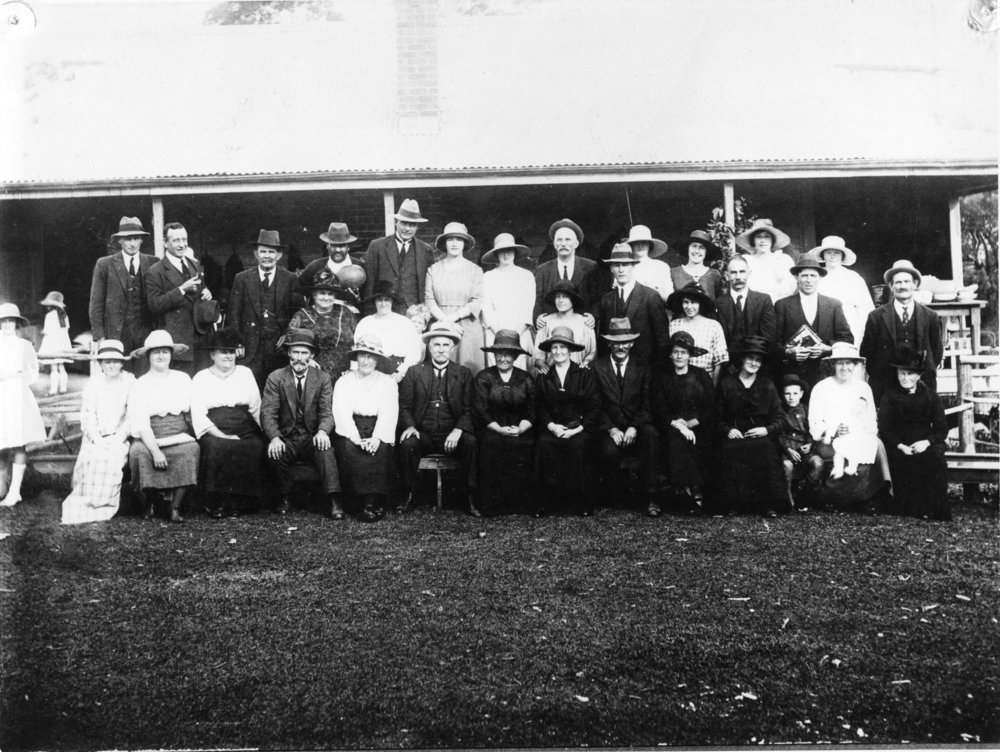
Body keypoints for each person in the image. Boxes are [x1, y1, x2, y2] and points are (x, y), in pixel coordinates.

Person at [261, 328, 343, 518]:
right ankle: (283, 496)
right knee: (274, 452)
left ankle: (334, 500)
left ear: (312, 355)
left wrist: (322, 432)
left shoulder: (322, 378)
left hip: (311, 436)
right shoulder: (276, 377)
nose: (299, 358)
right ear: (289, 353)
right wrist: (274, 437)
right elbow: (267, 413)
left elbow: (327, 412)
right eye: (295, 352)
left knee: (326, 450)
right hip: (286, 437)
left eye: (304, 353)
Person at [398, 322, 477, 514]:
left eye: (445, 345)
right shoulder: (414, 372)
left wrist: (458, 430)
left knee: (471, 442)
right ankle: (409, 494)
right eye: (437, 345)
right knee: (408, 443)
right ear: (429, 347)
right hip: (424, 433)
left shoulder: (464, 373)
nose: (441, 350)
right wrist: (410, 426)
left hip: (452, 433)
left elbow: (469, 408)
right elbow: (405, 406)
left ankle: (469, 497)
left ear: (452, 348)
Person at [191, 329, 266, 518]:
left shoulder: (245, 373)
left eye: (231, 351)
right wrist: (223, 435)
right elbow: (198, 414)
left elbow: (256, 407)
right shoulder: (201, 377)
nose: (228, 356)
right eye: (223, 351)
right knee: (217, 447)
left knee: (254, 446)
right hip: (215, 428)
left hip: (244, 426)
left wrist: (267, 431)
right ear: (212, 355)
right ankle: (216, 502)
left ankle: (240, 502)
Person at [126, 330, 200, 523]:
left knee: (191, 450)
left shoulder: (183, 379)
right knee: (139, 454)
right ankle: (149, 503)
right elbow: (141, 423)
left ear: (171, 354)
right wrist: (156, 451)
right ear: (149, 356)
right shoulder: (141, 384)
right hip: (149, 435)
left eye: (165, 352)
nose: (161, 356)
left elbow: (194, 411)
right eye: (156, 352)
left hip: (178, 433)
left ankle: (175, 507)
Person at [61, 340, 136, 524]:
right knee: (93, 457)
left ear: (122, 363)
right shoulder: (94, 384)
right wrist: (98, 439)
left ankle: (104, 505)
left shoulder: (129, 381)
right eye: (107, 361)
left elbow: (132, 416)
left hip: (120, 437)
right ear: (101, 363)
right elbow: (88, 417)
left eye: (115, 361)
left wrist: (118, 438)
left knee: (112, 458)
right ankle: (87, 505)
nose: (111, 365)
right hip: (94, 438)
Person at [591, 318, 660, 515]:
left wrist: (634, 427)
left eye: (625, 342)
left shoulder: (643, 367)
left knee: (652, 438)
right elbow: (595, 404)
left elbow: (648, 403)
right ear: (609, 344)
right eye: (616, 342)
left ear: (631, 343)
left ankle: (651, 498)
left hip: (636, 424)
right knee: (608, 452)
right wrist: (611, 429)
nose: (621, 346)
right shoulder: (597, 367)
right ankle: (616, 496)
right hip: (609, 426)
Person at [808, 343, 890, 508]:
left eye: (849, 363)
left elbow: (871, 420)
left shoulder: (863, 387)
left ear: (855, 365)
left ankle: (878, 493)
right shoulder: (822, 388)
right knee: (847, 451)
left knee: (876, 445)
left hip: (858, 436)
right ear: (833, 365)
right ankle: (837, 496)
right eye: (840, 363)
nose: (844, 367)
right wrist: (834, 431)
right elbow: (814, 424)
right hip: (829, 440)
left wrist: (861, 432)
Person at [534, 326, 602, 516]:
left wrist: (576, 429)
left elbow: (594, 406)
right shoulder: (543, 377)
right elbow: (539, 407)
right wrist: (552, 426)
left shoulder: (584, 374)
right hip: (552, 428)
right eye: (554, 348)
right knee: (544, 445)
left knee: (579, 446)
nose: (558, 352)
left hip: (578, 428)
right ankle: (546, 503)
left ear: (570, 350)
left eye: (563, 348)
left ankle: (579, 503)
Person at [716, 335, 787, 518]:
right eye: (750, 358)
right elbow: (715, 416)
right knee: (731, 450)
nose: (753, 363)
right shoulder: (727, 383)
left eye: (758, 360)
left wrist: (766, 429)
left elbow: (779, 417)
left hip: (761, 434)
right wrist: (728, 430)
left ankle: (767, 504)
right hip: (734, 433)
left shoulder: (767, 384)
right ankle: (734, 503)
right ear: (742, 359)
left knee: (765, 448)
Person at [878, 345, 950, 521]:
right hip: (899, 443)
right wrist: (901, 446)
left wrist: (927, 442)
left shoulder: (931, 396)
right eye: (902, 373)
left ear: (918, 375)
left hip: (924, 441)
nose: (905, 378)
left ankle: (932, 508)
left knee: (935, 459)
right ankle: (910, 508)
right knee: (902, 461)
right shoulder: (890, 395)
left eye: (910, 374)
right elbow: (885, 429)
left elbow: (942, 429)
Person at [331, 335, 399, 522]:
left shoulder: (387, 382)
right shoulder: (344, 382)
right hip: (351, 428)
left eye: (371, 356)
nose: (366, 361)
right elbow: (341, 412)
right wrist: (355, 437)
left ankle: (374, 502)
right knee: (350, 449)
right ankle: (358, 504)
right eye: (362, 356)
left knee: (382, 448)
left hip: (378, 426)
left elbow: (389, 411)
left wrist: (377, 437)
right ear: (356, 358)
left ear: (377, 359)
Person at [650, 331, 715, 515]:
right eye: (676, 352)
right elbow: (659, 408)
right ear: (670, 354)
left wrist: (691, 424)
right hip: (670, 426)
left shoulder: (701, 375)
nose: (679, 356)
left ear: (690, 355)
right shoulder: (661, 376)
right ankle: (686, 490)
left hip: (698, 426)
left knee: (704, 440)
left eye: (684, 352)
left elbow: (709, 406)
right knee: (675, 437)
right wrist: (678, 425)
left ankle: (697, 487)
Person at [860, 259, 942, 405]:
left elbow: (936, 352)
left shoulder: (930, 316)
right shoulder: (876, 317)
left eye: (906, 281)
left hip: (922, 384)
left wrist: (919, 374)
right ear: (891, 286)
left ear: (914, 284)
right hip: (885, 385)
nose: (902, 286)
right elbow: (867, 352)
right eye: (897, 282)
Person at [473, 330, 536, 516]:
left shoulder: (525, 378)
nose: (503, 358)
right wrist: (499, 429)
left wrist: (521, 427)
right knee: (491, 446)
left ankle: (520, 504)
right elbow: (481, 409)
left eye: (508, 354)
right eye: (499, 353)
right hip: (492, 428)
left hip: (521, 428)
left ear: (515, 356)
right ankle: (492, 505)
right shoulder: (484, 377)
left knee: (526, 446)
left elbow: (532, 409)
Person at [228, 229, 299, 390]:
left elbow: (298, 313)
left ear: (279, 255)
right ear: (256, 254)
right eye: (263, 252)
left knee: (279, 391)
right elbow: (233, 314)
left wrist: (288, 335)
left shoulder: (290, 279)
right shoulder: (242, 278)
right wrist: (237, 342)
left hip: (279, 349)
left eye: (271, 252)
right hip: (250, 348)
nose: (267, 256)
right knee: (250, 390)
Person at [146, 222, 216, 375]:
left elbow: (201, 291)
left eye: (184, 240)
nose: (182, 245)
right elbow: (154, 304)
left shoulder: (195, 265)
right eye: (176, 240)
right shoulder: (155, 271)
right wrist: (181, 289)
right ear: (165, 243)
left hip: (201, 340)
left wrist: (207, 293)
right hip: (178, 343)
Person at [88, 216, 156, 373]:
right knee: (119, 375)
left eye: (136, 238)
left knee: (145, 376)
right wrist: (100, 337)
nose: (132, 243)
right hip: (117, 333)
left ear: (142, 240)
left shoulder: (153, 262)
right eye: (127, 239)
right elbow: (96, 302)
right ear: (119, 241)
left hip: (146, 332)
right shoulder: (105, 264)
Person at [774, 255, 853, 388]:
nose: (808, 280)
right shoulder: (782, 305)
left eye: (813, 276)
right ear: (796, 278)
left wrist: (827, 349)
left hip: (826, 375)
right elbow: (774, 343)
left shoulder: (833, 305)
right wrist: (790, 352)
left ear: (820, 278)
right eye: (804, 276)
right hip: (793, 378)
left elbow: (847, 339)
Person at [595, 243, 671, 370]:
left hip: (646, 371)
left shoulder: (650, 297)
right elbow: (603, 341)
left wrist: (656, 373)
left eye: (625, 264)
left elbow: (662, 340)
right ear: (611, 269)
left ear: (633, 266)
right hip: (615, 372)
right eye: (616, 265)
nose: (621, 270)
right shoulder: (606, 300)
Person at [0, 304, 46, 508]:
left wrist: (17, 382)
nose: (7, 325)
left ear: (17, 323)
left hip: (17, 394)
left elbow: (33, 371)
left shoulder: (24, 346)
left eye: (11, 321)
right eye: (3, 321)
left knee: (18, 441)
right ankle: (2, 483)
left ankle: (15, 490)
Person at [425, 222, 485, 374]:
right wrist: (445, 323)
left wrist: (451, 319)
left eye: (459, 239)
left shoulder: (475, 270)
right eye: (450, 239)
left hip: (467, 327)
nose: (454, 243)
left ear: (464, 243)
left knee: (468, 370)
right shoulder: (433, 270)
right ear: (444, 243)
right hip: (440, 326)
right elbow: (429, 300)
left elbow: (477, 301)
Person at [361, 199, 437, 308]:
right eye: (404, 223)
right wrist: (369, 309)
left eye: (412, 225)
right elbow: (369, 283)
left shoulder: (425, 249)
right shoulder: (377, 246)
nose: (407, 229)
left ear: (417, 227)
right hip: (385, 308)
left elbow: (429, 284)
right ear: (396, 222)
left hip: (414, 310)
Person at [287, 268, 359, 380]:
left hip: (346, 373)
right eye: (322, 293)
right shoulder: (302, 315)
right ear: (314, 295)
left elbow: (358, 340)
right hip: (313, 372)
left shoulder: (345, 312)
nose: (326, 297)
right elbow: (289, 343)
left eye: (330, 294)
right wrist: (306, 359)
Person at [805, 235, 874, 346]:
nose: (832, 256)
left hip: (849, 323)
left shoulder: (853, 277)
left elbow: (865, 308)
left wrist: (864, 331)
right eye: (828, 253)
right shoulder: (816, 276)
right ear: (823, 255)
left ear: (842, 256)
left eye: (836, 253)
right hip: (822, 323)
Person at [481, 233, 535, 370]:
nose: (506, 254)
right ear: (496, 254)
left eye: (509, 250)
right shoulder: (488, 277)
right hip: (495, 332)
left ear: (515, 252)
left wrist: (515, 335)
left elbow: (528, 307)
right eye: (501, 251)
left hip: (519, 332)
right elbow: (486, 307)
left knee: (519, 370)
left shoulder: (526, 276)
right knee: (496, 371)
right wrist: (500, 335)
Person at [355, 281, 423, 382]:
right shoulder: (365, 323)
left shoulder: (404, 322)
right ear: (374, 302)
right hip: (372, 369)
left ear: (392, 302)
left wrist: (401, 372)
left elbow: (415, 352)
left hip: (399, 369)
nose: (383, 303)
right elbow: (357, 350)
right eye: (379, 300)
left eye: (386, 300)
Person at [533, 218, 598, 322]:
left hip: (582, 326)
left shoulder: (591, 267)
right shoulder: (542, 270)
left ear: (576, 244)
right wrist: (538, 317)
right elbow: (538, 299)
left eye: (567, 239)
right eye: (559, 240)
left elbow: (597, 298)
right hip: (551, 327)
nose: (563, 244)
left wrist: (593, 315)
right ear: (554, 244)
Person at [777, 373, 824, 509]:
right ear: (782, 394)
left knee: (818, 463)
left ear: (801, 393)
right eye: (787, 394)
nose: (791, 397)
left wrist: (810, 443)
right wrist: (788, 449)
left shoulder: (807, 409)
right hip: (788, 448)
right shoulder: (780, 410)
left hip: (805, 447)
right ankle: (788, 497)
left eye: (795, 393)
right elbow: (778, 434)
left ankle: (804, 497)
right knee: (787, 465)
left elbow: (814, 428)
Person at [666, 282, 729, 383]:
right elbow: (669, 354)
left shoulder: (713, 326)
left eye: (694, 302)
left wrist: (713, 385)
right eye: (686, 302)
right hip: (678, 380)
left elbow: (719, 360)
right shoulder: (674, 324)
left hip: (704, 381)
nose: (689, 306)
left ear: (700, 304)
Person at [533, 281, 596, 374]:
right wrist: (541, 364)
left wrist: (586, 362)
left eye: (565, 297)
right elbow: (538, 354)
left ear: (573, 299)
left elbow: (592, 351)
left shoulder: (585, 322)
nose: (560, 300)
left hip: (578, 373)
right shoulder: (545, 321)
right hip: (552, 373)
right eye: (557, 297)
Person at [714, 254, 776, 348]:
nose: (738, 277)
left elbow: (768, 338)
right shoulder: (717, 304)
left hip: (756, 359)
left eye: (742, 272)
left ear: (749, 273)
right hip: (728, 360)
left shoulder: (764, 301)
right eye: (733, 272)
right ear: (727, 276)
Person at [299, 222, 365, 302]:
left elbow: (368, 298)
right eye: (334, 245)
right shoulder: (315, 266)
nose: (337, 250)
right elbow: (299, 291)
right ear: (327, 246)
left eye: (342, 246)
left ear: (348, 247)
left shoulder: (360, 267)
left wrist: (358, 299)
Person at [735, 218, 796, 302]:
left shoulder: (783, 260)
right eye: (758, 237)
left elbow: (790, 287)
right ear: (753, 240)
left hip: (779, 305)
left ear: (772, 240)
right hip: (753, 306)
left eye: (767, 237)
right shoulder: (746, 261)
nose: (763, 240)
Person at [624, 224, 673, 302]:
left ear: (649, 244)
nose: (640, 246)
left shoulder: (661, 266)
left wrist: (652, 290)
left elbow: (670, 298)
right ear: (631, 245)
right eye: (636, 242)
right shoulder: (624, 268)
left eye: (643, 242)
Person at [670, 230, 724, 300]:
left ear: (706, 251)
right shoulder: (674, 273)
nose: (697, 251)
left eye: (701, 248)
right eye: (694, 246)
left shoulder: (714, 274)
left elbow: (719, 302)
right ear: (688, 248)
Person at [37, 290, 72, 395]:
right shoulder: (65, 316)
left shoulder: (49, 316)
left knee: (54, 368)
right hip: (62, 344)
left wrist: (42, 331)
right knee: (62, 367)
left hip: (52, 344)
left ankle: (53, 390)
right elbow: (66, 329)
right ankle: (63, 389)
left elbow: (47, 331)